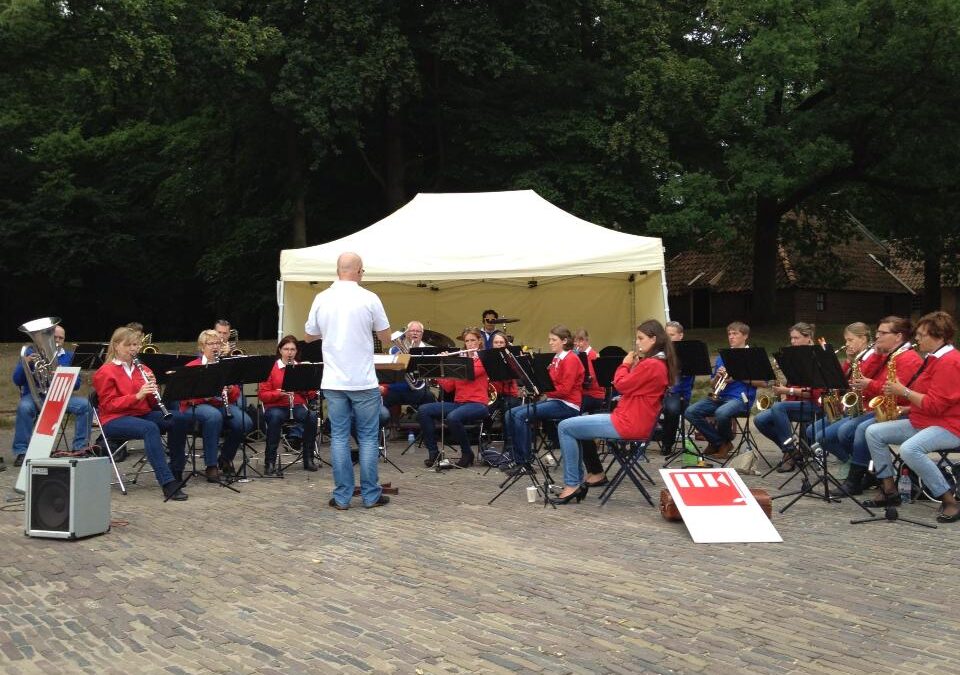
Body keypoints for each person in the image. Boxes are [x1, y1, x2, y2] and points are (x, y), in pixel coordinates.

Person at [304, 252, 392, 510]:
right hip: (363, 379)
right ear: (358, 271)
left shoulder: (321, 298)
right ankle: (370, 495)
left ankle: (342, 496)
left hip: (333, 379)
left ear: (338, 270)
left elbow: (309, 337)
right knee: (367, 437)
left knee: (340, 437)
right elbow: (386, 338)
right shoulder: (369, 298)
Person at [554, 320, 675, 504]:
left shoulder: (652, 364)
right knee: (575, 426)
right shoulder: (658, 363)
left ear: (653, 339)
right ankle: (586, 477)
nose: (637, 342)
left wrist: (624, 365)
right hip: (631, 420)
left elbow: (621, 384)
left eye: (641, 338)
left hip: (628, 423)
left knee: (565, 427)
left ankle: (573, 485)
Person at [864, 311, 960, 523]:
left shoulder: (949, 362)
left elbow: (936, 405)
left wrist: (904, 393)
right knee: (873, 432)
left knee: (910, 449)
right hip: (925, 420)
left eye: (922, 335)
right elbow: (930, 398)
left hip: (951, 426)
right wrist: (906, 409)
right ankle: (890, 490)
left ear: (939, 336)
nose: (916, 338)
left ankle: (949, 499)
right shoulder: (933, 358)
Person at [92, 326, 190, 501]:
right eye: (129, 345)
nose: (134, 349)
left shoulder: (143, 369)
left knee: (180, 418)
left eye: (136, 345)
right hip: (114, 419)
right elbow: (109, 405)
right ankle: (167, 483)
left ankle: (176, 471)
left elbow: (152, 404)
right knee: (150, 428)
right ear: (116, 346)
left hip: (141, 414)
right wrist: (137, 395)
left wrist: (154, 391)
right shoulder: (105, 372)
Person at [835, 316, 922, 494]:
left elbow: (896, 392)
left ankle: (857, 479)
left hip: (901, 411)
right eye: (877, 332)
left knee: (858, 430)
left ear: (898, 337)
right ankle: (869, 472)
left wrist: (870, 385)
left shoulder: (909, 359)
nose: (877, 336)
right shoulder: (891, 355)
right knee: (845, 432)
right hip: (883, 408)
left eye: (882, 333)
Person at [505, 325, 584, 473]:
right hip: (556, 400)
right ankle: (516, 458)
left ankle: (525, 462)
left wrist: (544, 392)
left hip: (568, 404)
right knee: (510, 414)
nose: (550, 342)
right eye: (550, 339)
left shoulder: (571, 359)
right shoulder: (557, 358)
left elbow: (565, 390)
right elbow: (550, 383)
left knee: (521, 415)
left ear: (565, 340)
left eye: (554, 340)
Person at [12, 323, 92, 467]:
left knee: (85, 405)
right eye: (54, 337)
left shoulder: (69, 356)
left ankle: (80, 448)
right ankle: (22, 452)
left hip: (61, 397)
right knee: (24, 407)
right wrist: (25, 363)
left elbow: (77, 385)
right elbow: (17, 380)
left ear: (64, 340)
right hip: (37, 395)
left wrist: (64, 373)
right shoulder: (31, 353)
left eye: (61, 338)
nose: (57, 341)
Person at [180, 330, 254, 481]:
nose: (215, 347)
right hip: (195, 406)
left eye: (217, 343)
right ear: (202, 347)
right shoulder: (192, 366)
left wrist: (231, 389)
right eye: (211, 343)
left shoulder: (225, 366)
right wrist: (205, 395)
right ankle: (211, 465)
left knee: (245, 422)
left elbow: (235, 397)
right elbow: (183, 397)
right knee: (213, 416)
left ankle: (225, 458)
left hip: (219, 404)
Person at [683, 321, 761, 459]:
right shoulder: (722, 357)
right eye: (729, 334)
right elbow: (713, 385)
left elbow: (763, 383)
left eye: (735, 334)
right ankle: (719, 442)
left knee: (721, 413)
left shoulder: (752, 356)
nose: (731, 337)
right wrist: (718, 377)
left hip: (741, 399)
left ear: (745, 336)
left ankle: (720, 443)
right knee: (690, 411)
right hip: (720, 397)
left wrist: (738, 376)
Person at [753, 322, 824, 471]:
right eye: (791, 338)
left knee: (779, 408)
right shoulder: (792, 356)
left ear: (808, 337)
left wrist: (787, 391)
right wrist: (782, 371)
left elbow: (815, 393)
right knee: (759, 420)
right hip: (794, 405)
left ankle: (789, 453)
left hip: (813, 405)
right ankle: (792, 451)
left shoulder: (818, 356)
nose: (792, 342)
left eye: (796, 338)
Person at [416, 328, 491, 468]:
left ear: (479, 341)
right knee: (424, 410)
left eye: (473, 340)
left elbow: (470, 373)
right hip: (459, 403)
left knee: (453, 417)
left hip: (478, 404)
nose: (469, 343)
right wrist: (440, 369)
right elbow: (449, 387)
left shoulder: (483, 358)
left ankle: (467, 453)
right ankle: (434, 453)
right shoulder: (461, 359)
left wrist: (450, 361)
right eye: (467, 341)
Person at [805, 322, 872, 464]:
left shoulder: (870, 359)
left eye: (850, 340)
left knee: (823, 436)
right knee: (811, 431)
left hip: (861, 409)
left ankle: (857, 465)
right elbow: (838, 379)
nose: (847, 344)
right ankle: (850, 461)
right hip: (848, 408)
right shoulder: (856, 358)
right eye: (846, 340)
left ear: (863, 339)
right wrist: (848, 360)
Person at [258, 335, 320, 475]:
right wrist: (278, 393)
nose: (289, 352)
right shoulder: (271, 369)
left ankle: (308, 458)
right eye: (286, 349)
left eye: (293, 349)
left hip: (296, 405)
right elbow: (263, 395)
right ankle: (270, 462)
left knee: (311, 416)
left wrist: (309, 386)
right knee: (274, 418)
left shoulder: (301, 368)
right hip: (275, 406)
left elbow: (310, 395)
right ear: (280, 350)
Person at [572, 328, 609, 484]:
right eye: (576, 341)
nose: (578, 344)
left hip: (595, 396)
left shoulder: (592, 355)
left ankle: (593, 469)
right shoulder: (578, 356)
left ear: (586, 341)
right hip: (585, 394)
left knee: (573, 416)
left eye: (581, 341)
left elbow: (592, 380)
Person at [659, 321, 694, 455]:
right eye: (666, 335)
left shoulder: (689, 353)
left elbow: (686, 381)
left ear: (681, 336)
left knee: (672, 409)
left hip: (677, 393)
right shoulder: (660, 351)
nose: (668, 338)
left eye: (672, 335)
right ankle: (638, 441)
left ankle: (667, 443)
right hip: (659, 392)